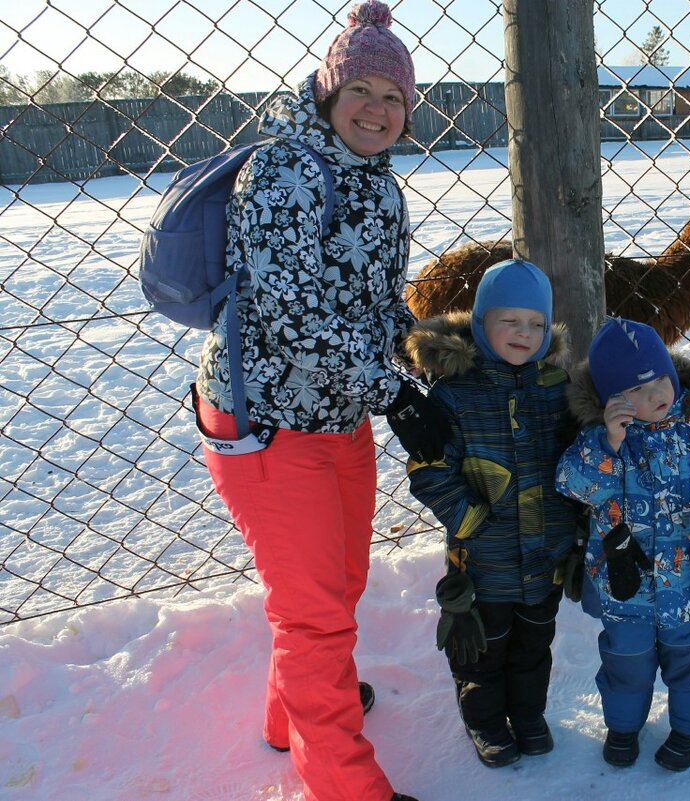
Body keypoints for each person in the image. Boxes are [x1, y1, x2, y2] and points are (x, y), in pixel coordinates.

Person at [194, 3, 447, 800]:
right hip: (264, 417)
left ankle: (291, 714)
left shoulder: (379, 184)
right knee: (314, 615)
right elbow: (292, 315)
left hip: (337, 409)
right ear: (329, 93)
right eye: (361, 90)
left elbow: (376, 306)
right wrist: (393, 395)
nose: (376, 109)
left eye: (393, 97)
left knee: (336, 582)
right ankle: (345, 785)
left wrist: (428, 362)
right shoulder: (282, 171)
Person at [555, 317, 690, 773]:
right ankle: (623, 727)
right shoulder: (600, 443)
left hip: (687, 582)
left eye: (662, 379)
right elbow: (571, 484)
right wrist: (610, 441)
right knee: (626, 664)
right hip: (625, 590)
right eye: (639, 392)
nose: (658, 395)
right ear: (612, 401)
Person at [403, 259, 581, 768]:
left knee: (534, 644)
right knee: (483, 647)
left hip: (546, 552)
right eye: (511, 321)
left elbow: (575, 454)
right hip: (482, 556)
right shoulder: (453, 393)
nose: (525, 333)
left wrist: (577, 522)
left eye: (537, 324)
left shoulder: (555, 387)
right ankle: (483, 720)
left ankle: (527, 715)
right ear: (481, 323)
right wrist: (469, 521)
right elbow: (430, 469)